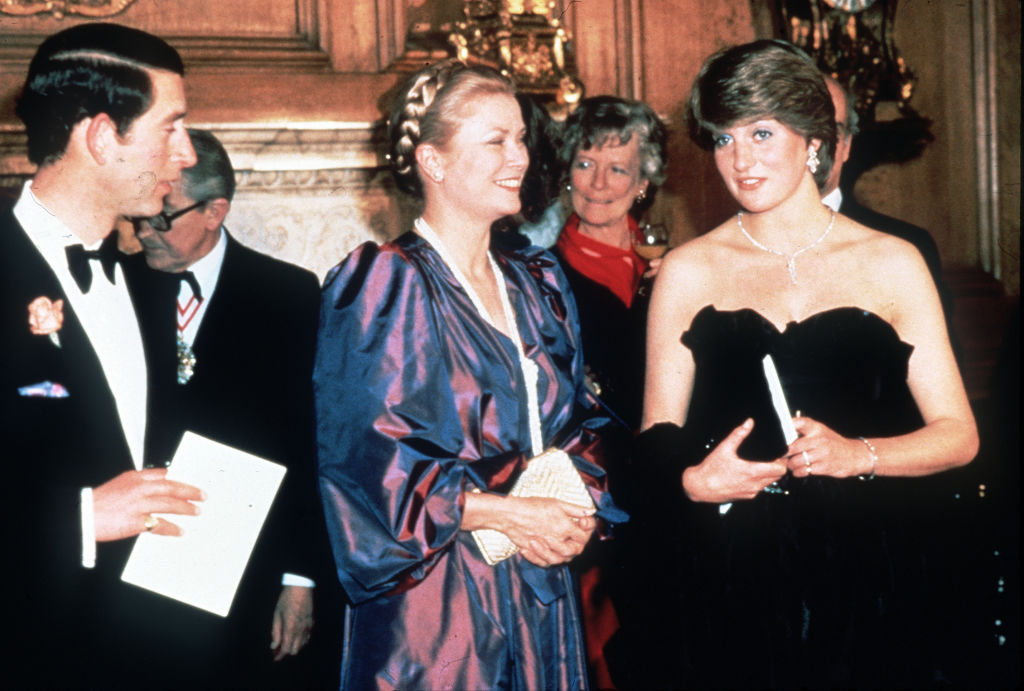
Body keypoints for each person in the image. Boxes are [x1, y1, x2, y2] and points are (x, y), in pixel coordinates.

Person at [629, 39, 978, 689]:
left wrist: (859, 454)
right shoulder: (686, 269)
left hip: (873, 573)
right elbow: (655, 435)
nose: (740, 160)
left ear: (815, 139)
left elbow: (959, 435)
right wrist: (692, 479)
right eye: (724, 139)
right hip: (733, 573)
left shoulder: (893, 260)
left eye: (762, 133)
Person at [314, 58, 625, 690]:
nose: (520, 157)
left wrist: (579, 504)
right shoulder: (385, 282)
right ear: (434, 161)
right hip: (439, 604)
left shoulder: (536, 281)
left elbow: (580, 422)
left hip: (539, 582)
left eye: (519, 138)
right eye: (495, 142)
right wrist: (505, 514)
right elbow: (368, 466)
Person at [1, 23, 205, 687]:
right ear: (100, 136)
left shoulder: (149, 286)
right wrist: (82, 516)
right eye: (170, 127)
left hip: (143, 651)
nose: (186, 153)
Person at [131, 128, 341, 689]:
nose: (144, 228)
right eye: (141, 212)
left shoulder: (289, 296)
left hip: (254, 570)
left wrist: (301, 577)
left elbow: (310, 443)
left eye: (163, 214)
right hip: (138, 563)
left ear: (215, 211)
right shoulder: (117, 285)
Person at [553, 95, 668, 431]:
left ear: (642, 183)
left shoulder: (672, 267)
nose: (597, 183)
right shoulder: (540, 276)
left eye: (617, 169)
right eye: (585, 164)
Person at [822, 75, 957, 342]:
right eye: (803, 131)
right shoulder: (723, 251)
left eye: (831, 133)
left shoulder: (907, 245)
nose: (816, 147)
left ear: (847, 145)